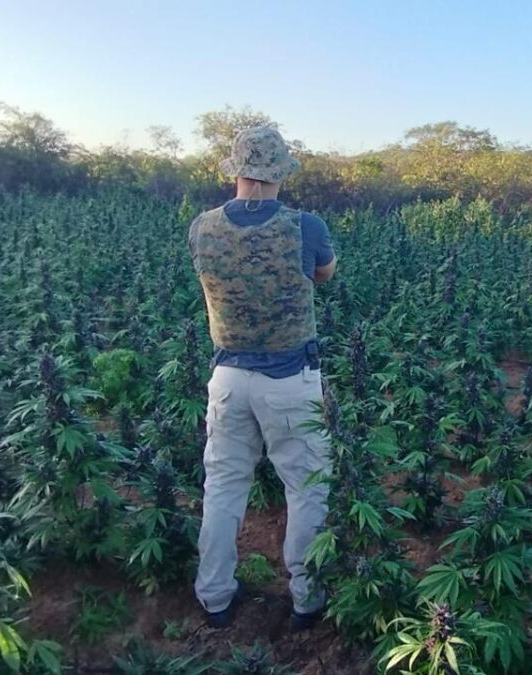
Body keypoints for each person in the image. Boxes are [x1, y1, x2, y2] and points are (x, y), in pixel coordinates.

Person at [187, 126, 337, 631]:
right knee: (306, 486)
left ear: (236, 169)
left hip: (228, 378)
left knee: (224, 486)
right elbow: (324, 274)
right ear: (281, 173)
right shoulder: (306, 226)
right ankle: (306, 600)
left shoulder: (201, 227)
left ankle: (213, 597)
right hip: (290, 378)